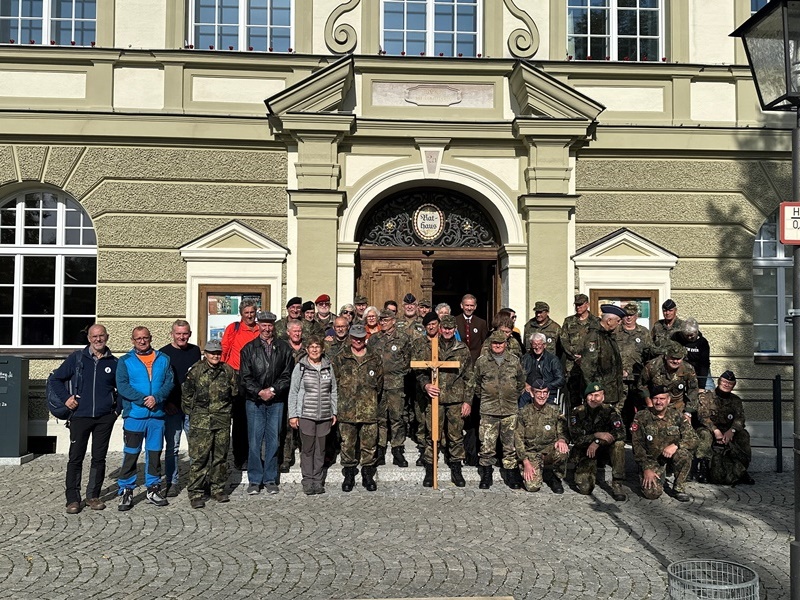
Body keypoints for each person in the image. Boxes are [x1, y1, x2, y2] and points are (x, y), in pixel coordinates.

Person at [48, 324, 118, 514]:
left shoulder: (114, 362)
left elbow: (120, 388)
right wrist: (66, 399)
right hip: (80, 416)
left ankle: (93, 496)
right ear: (89, 338)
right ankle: (72, 499)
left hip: (104, 418)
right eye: (94, 336)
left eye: (101, 336)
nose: (98, 339)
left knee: (99, 458)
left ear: (107, 337)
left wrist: (115, 412)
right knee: (75, 458)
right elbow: (55, 379)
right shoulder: (76, 358)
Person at [116, 326, 175, 511]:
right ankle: (126, 489)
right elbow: (122, 386)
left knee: (154, 453)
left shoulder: (163, 359)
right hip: (135, 415)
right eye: (138, 338)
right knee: (131, 453)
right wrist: (143, 399)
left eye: (145, 338)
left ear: (151, 338)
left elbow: (169, 382)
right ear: (133, 340)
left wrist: (156, 398)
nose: (142, 341)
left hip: (156, 415)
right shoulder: (125, 361)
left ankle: (153, 488)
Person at [412, 314, 474, 487]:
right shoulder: (431, 347)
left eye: (450, 329)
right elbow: (420, 370)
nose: (447, 331)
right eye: (444, 328)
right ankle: (431, 468)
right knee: (432, 434)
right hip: (435, 398)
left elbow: (470, 377)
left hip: (455, 399)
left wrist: (467, 401)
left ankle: (456, 468)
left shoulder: (462, 349)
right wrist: (426, 386)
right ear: (440, 329)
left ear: (455, 330)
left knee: (455, 436)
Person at [239, 310, 295, 495]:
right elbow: (245, 377)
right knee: (254, 441)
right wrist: (259, 392)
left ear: (274, 327)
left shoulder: (284, 348)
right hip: (254, 401)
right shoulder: (248, 349)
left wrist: (272, 390)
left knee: (273, 441)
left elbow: (287, 375)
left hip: (276, 400)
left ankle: (270, 479)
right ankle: (254, 480)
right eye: (263, 325)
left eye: (270, 325)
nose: (267, 329)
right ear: (258, 326)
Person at [182, 339, 238, 508]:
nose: (215, 356)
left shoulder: (227, 371)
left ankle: (217, 488)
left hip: (222, 420)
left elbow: (234, 393)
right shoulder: (196, 371)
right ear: (205, 353)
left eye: (218, 353)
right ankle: (196, 492)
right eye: (212, 352)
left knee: (220, 457)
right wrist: (196, 415)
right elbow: (186, 396)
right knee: (200, 458)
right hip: (201, 422)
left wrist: (227, 412)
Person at [331, 323, 384, 492]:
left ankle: (367, 474)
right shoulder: (341, 358)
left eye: (361, 338)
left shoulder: (374, 358)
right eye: (354, 338)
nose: (357, 341)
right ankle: (349, 474)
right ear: (350, 338)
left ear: (365, 338)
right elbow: (335, 383)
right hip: (347, 410)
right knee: (347, 444)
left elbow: (380, 384)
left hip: (368, 409)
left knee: (369, 445)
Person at [471, 330, 526, 490]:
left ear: (506, 344)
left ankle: (511, 475)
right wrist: (488, 396)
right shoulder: (482, 362)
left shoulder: (514, 361)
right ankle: (486, 475)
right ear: (490, 344)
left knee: (509, 446)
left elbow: (521, 382)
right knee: (487, 446)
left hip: (509, 409)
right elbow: (476, 384)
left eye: (500, 343)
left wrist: (511, 395)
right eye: (494, 343)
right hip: (488, 410)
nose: (497, 346)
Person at [288, 336, 338, 495]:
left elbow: (333, 391)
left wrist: (333, 411)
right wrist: (293, 415)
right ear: (307, 349)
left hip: (324, 415)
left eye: (318, 347)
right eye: (312, 347)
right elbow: (293, 392)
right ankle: (308, 481)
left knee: (320, 450)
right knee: (308, 450)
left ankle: (318, 481)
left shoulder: (328, 367)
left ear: (322, 349)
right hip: (306, 415)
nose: (315, 349)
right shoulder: (300, 367)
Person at [631, 384, 698, 502]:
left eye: (662, 399)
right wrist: (646, 468)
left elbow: (693, 438)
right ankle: (657, 476)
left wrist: (676, 445)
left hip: (672, 457)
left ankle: (679, 488)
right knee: (652, 493)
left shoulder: (677, 416)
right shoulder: (642, 416)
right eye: (656, 398)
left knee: (683, 454)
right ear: (651, 400)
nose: (658, 402)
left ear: (668, 400)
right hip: (652, 460)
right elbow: (637, 445)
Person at [158, 319, 201, 497]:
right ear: (172, 334)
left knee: (196, 447)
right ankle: (172, 482)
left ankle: (196, 482)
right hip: (172, 408)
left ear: (189, 334)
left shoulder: (195, 351)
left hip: (192, 408)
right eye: (178, 334)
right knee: (172, 448)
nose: (182, 337)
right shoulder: (163, 354)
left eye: (185, 333)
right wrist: (166, 403)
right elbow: (159, 381)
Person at [568, 382, 627, 502]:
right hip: (585, 451)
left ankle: (617, 483)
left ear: (603, 397)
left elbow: (621, 433)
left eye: (597, 395)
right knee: (585, 489)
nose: (593, 399)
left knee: (619, 444)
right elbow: (576, 438)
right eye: (590, 395)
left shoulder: (610, 411)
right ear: (585, 397)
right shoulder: (577, 412)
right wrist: (596, 435)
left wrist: (597, 441)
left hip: (604, 450)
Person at [368, 309, 412, 467]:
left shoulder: (403, 338)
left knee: (396, 417)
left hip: (396, 384)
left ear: (393, 321)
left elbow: (408, 361)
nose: (383, 323)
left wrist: (399, 373)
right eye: (381, 320)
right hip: (378, 385)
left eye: (386, 320)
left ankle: (397, 448)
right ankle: (380, 449)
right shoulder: (374, 339)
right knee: (380, 418)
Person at [220, 299, 260, 470]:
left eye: (252, 312)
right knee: (240, 420)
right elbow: (224, 350)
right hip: (236, 376)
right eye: (246, 313)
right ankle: (239, 457)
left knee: (256, 419)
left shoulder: (260, 329)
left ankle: (255, 456)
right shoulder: (233, 328)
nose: (249, 315)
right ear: (241, 314)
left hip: (256, 377)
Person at [696, 371, 754, 485]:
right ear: (719, 381)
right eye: (724, 382)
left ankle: (742, 470)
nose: (726, 384)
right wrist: (715, 430)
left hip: (728, 430)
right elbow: (703, 417)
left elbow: (740, 419)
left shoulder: (736, 400)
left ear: (733, 385)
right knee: (704, 435)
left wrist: (732, 431)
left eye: (730, 383)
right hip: (709, 429)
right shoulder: (706, 397)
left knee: (743, 435)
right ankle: (704, 469)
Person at [514, 378, 569, 493]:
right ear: (532, 393)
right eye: (538, 392)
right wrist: (525, 462)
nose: (542, 396)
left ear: (548, 394)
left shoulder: (554, 411)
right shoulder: (523, 413)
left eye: (545, 392)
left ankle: (555, 477)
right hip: (532, 453)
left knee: (563, 451)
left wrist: (562, 440)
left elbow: (562, 430)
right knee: (532, 487)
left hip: (549, 451)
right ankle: (529, 471)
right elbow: (518, 439)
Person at [456, 293, 489, 466]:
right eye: (466, 305)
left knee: (474, 411)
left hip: (476, 371)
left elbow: (485, 345)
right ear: (461, 305)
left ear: (475, 307)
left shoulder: (481, 323)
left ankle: (472, 450)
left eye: (471, 306)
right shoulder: (454, 322)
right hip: (458, 372)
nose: (469, 308)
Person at [614, 302, 652, 431]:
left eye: (631, 315)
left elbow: (649, 354)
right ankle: (620, 433)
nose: (628, 318)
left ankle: (638, 433)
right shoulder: (615, 332)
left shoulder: (643, 333)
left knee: (640, 407)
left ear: (636, 316)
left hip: (638, 379)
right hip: (620, 378)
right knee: (619, 408)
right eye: (626, 315)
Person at [559, 293, 600, 411]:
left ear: (587, 305)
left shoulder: (596, 322)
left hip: (591, 365)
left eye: (580, 305)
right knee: (574, 396)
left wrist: (587, 357)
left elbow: (600, 342)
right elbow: (564, 340)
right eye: (576, 305)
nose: (578, 307)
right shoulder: (569, 321)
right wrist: (573, 355)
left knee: (591, 395)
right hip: (573, 365)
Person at [579, 304, 625, 407]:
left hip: (611, 393)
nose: (620, 324)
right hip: (599, 394)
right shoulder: (594, 337)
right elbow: (587, 367)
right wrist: (594, 392)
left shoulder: (608, 336)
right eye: (618, 321)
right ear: (609, 321)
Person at [639, 341, 699, 416]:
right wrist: (649, 403)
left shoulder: (687, 369)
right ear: (666, 356)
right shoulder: (652, 366)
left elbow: (693, 389)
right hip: (656, 405)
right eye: (673, 358)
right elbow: (642, 385)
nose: (675, 361)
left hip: (677, 407)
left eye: (678, 359)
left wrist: (688, 412)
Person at [280, 320, 306, 472]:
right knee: (287, 427)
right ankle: (286, 458)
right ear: (288, 332)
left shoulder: (308, 348)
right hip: (287, 390)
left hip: (305, 392)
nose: (297, 334)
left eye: (299, 331)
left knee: (304, 426)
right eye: (294, 331)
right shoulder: (283, 347)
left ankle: (305, 458)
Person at [520, 332, 565, 407]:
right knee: (520, 404)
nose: (537, 347)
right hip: (529, 391)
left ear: (544, 345)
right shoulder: (526, 358)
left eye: (539, 344)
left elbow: (560, 379)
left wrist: (545, 387)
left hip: (547, 391)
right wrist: (525, 384)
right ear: (531, 345)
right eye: (534, 344)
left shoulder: (553, 360)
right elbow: (518, 375)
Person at [673, 317, 712, 390]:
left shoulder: (702, 342)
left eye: (691, 335)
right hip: (683, 370)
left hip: (700, 369)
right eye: (686, 335)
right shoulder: (676, 338)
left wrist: (701, 387)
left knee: (709, 390)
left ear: (696, 332)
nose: (689, 337)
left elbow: (704, 364)